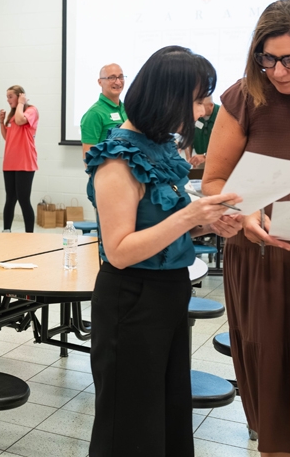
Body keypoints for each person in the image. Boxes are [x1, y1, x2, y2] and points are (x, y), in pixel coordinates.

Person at [85, 46, 243, 456]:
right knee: (130, 420)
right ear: (167, 97)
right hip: (132, 299)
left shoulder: (161, 148)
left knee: (166, 409)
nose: (205, 109)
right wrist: (190, 218)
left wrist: (209, 222)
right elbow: (119, 250)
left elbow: (162, 223)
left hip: (167, 294)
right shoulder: (117, 159)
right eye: (198, 98)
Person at [202, 0, 290, 457]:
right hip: (262, 257)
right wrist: (245, 215)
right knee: (272, 387)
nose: (277, 72)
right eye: (266, 58)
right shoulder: (246, 95)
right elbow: (215, 180)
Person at [0, 85, 39, 233]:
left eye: (11, 96)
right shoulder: (12, 115)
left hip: (25, 162)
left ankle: (29, 233)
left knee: (23, 199)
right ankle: (6, 230)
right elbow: (7, 137)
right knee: (10, 198)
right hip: (10, 162)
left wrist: (21, 103)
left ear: (20, 96)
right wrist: (1, 122)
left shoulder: (31, 110)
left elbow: (21, 121)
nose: (8, 100)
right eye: (7, 97)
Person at [81, 63, 127, 163]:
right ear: (100, 82)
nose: (118, 82)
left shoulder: (128, 109)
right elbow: (88, 157)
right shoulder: (94, 113)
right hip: (108, 175)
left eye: (121, 77)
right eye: (112, 77)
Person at [184, 95, 219, 167]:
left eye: (202, 106)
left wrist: (205, 156)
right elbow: (188, 137)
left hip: (217, 160)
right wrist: (189, 158)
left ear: (211, 105)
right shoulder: (195, 115)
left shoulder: (222, 115)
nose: (200, 109)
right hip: (199, 160)